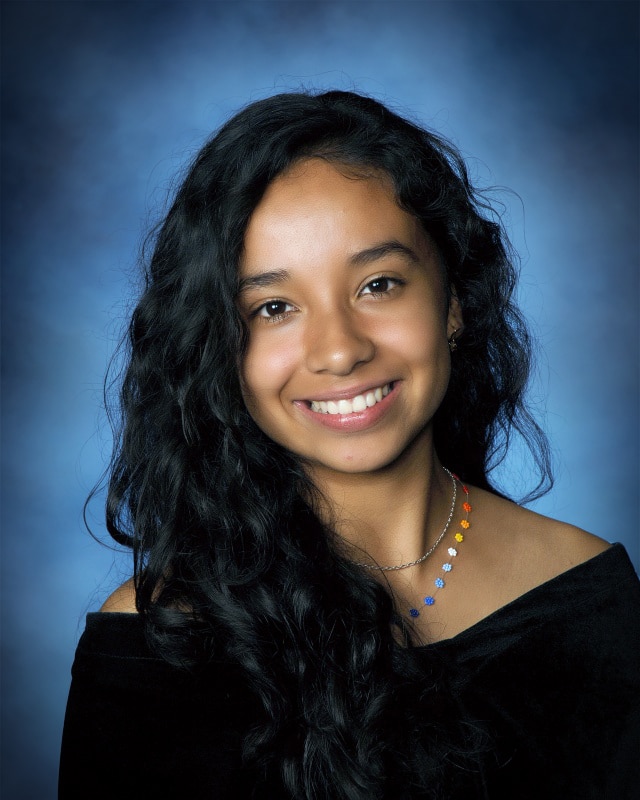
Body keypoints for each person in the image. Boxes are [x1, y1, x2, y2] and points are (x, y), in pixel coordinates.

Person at [59, 90, 639, 799]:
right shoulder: (153, 651)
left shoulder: (589, 597)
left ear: (454, 301)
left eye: (378, 284)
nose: (338, 351)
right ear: (221, 350)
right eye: (274, 308)